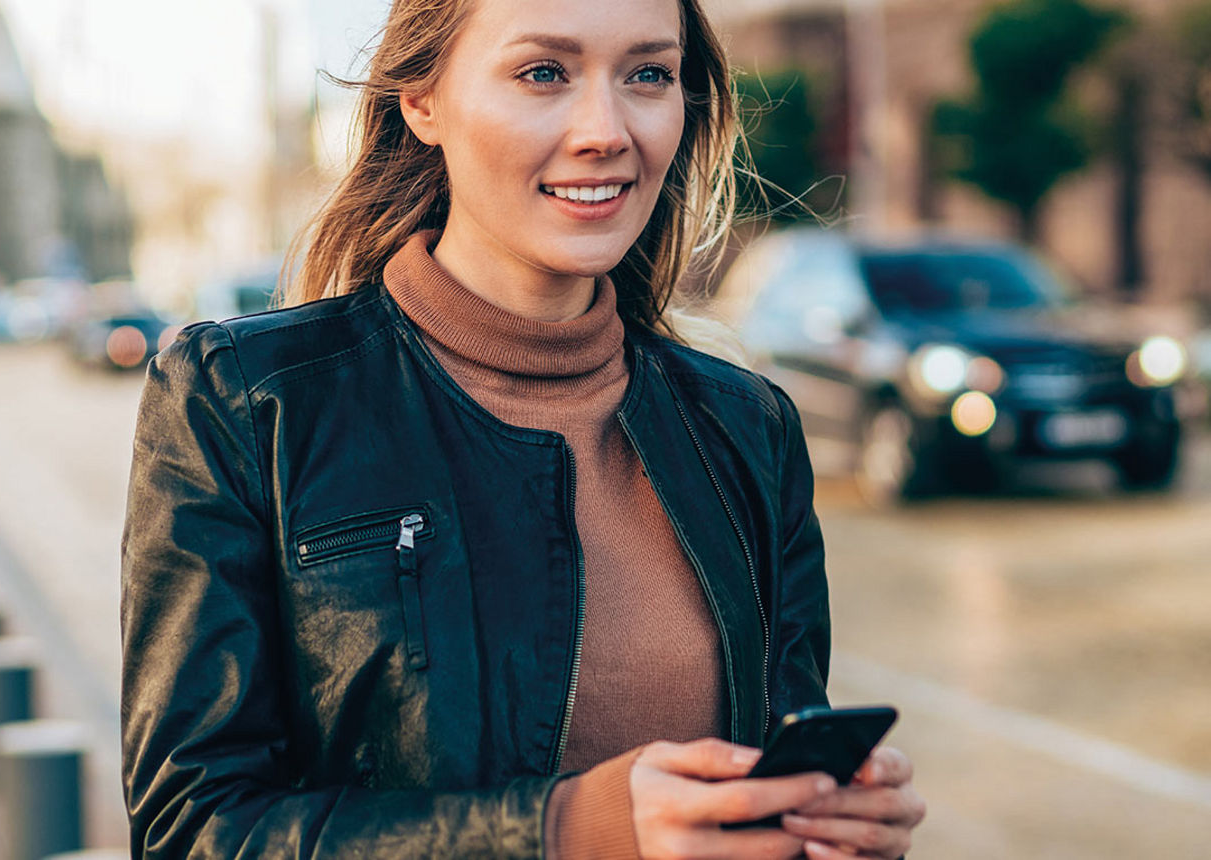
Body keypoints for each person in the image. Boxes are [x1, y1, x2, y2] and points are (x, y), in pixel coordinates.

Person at [119, 0, 926, 856]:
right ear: (422, 100)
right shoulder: (244, 402)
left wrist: (823, 826)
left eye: (648, 75)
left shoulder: (747, 427)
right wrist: (569, 831)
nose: (605, 130)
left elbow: (773, 768)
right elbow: (193, 830)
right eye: (545, 73)